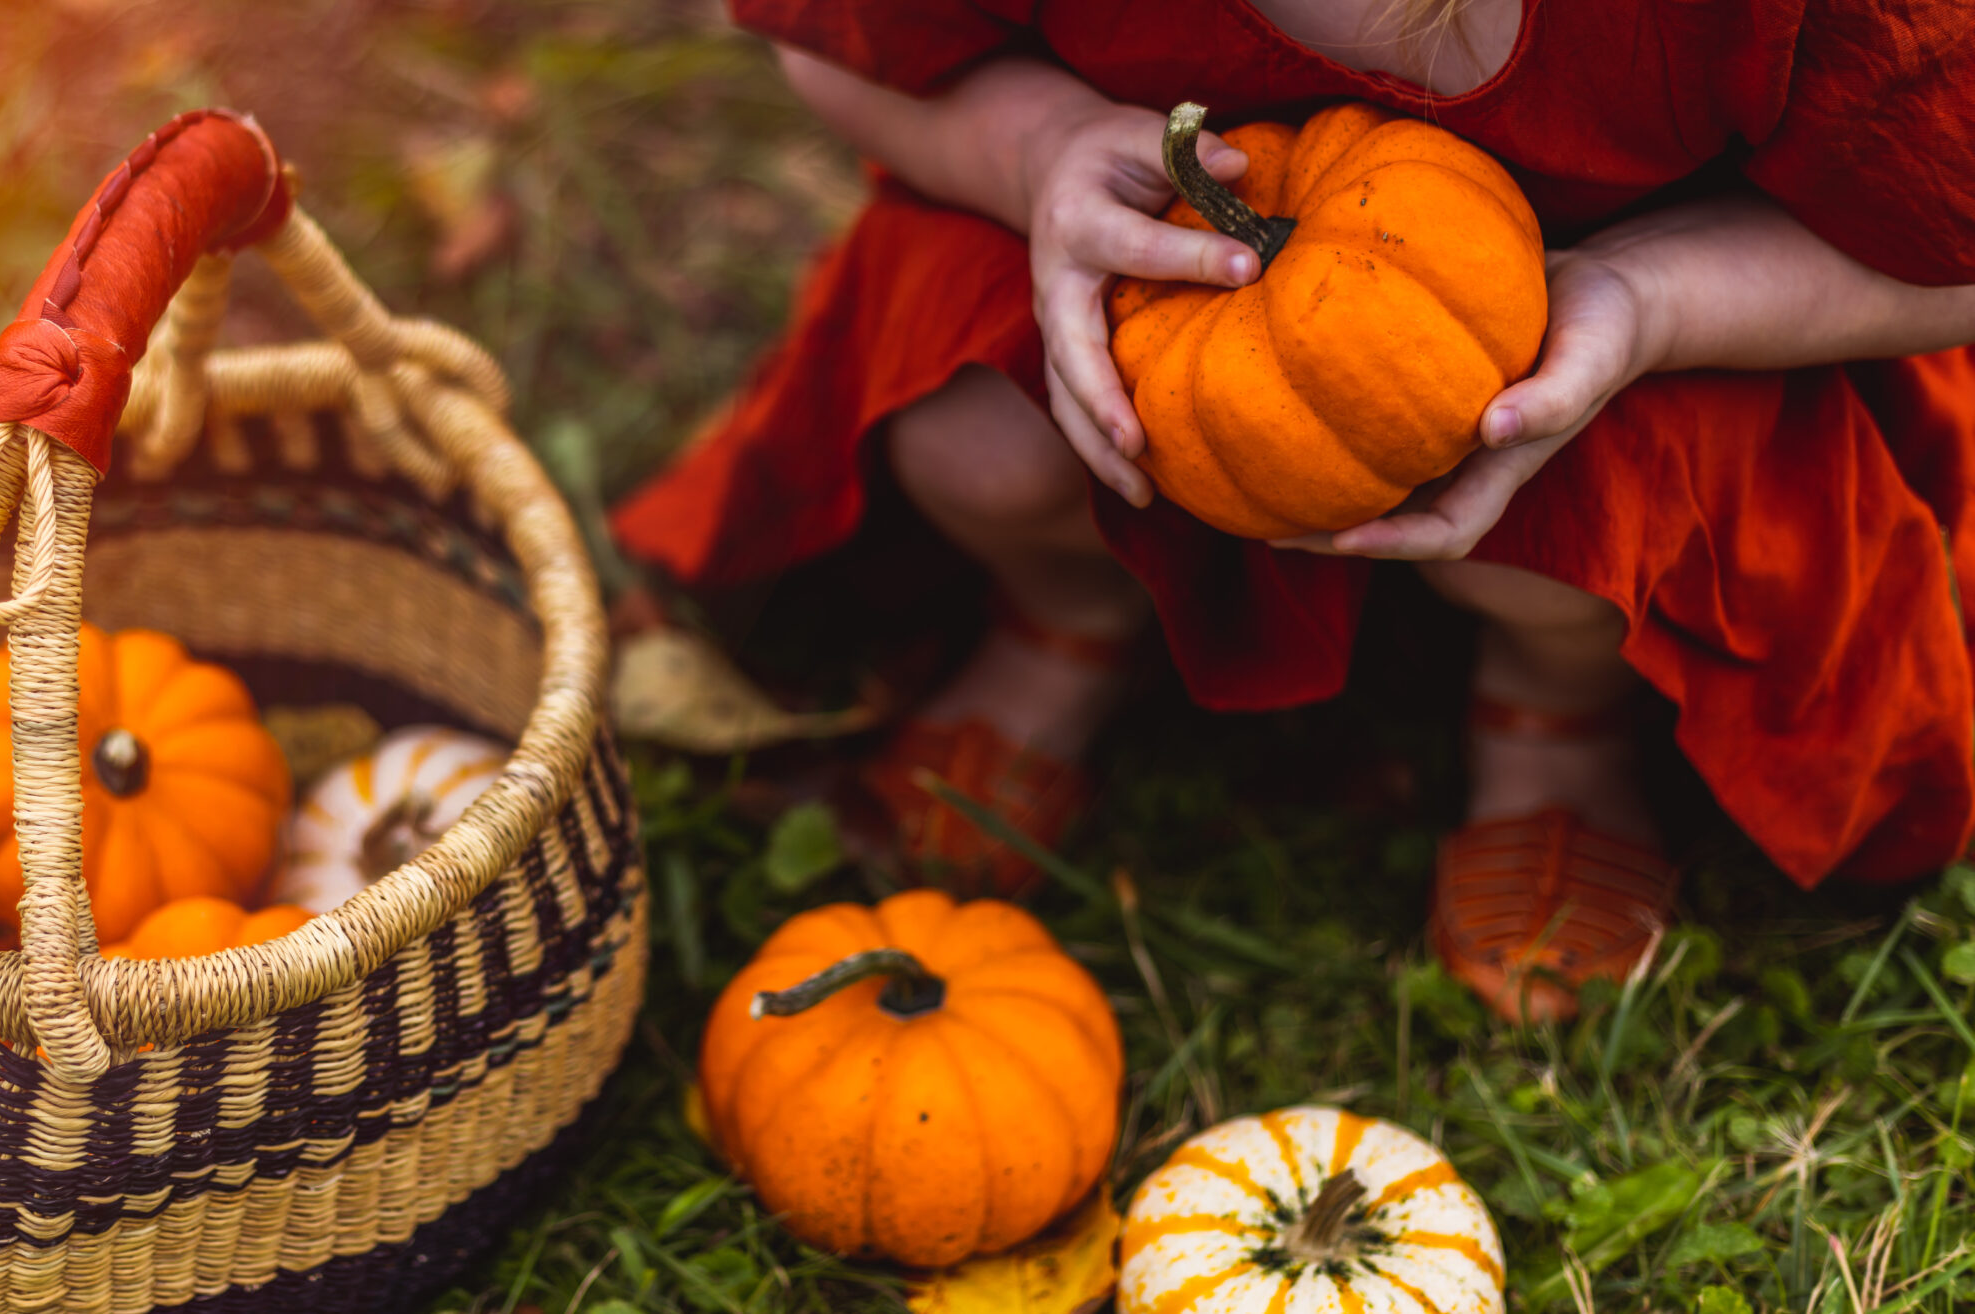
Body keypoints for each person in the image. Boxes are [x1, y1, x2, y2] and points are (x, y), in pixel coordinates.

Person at [610, 0, 1975, 1021]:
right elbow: (829, 50)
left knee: (1561, 530)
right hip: (1168, 302)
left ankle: (1557, 719)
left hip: (1622, 340)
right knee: (978, 443)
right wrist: (1040, 156)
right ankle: (1066, 616)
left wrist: (1650, 300)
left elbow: (1949, 256)